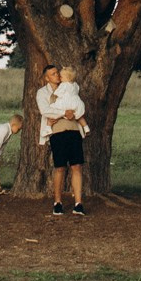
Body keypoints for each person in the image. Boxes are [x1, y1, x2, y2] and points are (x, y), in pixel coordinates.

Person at [36, 64, 86, 218]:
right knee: (60, 168)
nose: (57, 75)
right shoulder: (43, 93)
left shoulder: (69, 88)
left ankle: (78, 203)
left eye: (57, 73)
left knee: (76, 166)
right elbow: (45, 110)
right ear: (46, 78)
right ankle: (57, 203)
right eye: (53, 74)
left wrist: (73, 114)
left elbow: (78, 106)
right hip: (57, 132)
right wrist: (65, 113)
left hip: (74, 130)